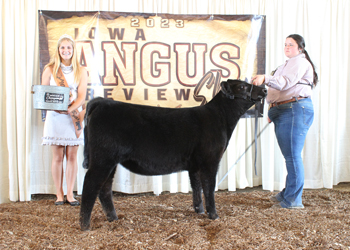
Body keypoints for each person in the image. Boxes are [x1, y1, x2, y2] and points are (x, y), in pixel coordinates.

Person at [251, 34, 318, 209]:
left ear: (300, 48)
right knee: (290, 155)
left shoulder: (300, 62)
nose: (287, 47)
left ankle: (293, 200)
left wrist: (265, 77)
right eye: (285, 44)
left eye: (291, 44)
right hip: (285, 109)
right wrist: (272, 109)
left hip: (294, 109)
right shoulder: (287, 64)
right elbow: (279, 89)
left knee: (292, 156)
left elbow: (284, 83)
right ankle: (288, 192)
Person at [41, 34, 88, 206]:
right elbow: (43, 94)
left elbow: (82, 96)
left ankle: (70, 194)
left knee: (72, 156)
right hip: (55, 116)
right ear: (58, 50)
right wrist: (56, 108)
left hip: (73, 115)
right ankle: (59, 194)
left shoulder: (81, 70)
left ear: (73, 50)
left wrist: (70, 109)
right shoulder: (50, 69)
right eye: (63, 48)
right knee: (58, 156)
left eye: (69, 48)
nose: (66, 51)